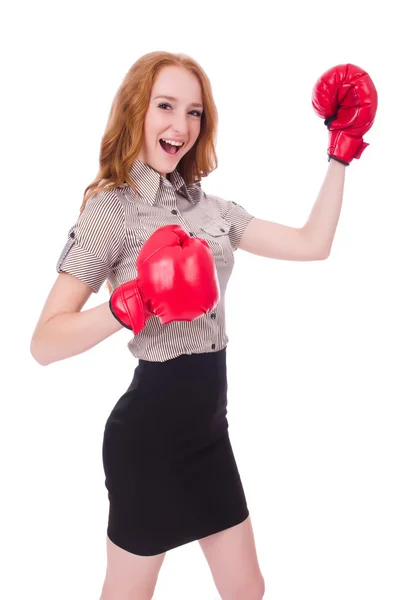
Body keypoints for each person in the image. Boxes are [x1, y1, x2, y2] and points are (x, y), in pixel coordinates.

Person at [30, 53, 377, 600]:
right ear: (136, 112)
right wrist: (130, 306)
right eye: (165, 106)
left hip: (209, 433)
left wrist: (342, 153)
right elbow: (44, 342)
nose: (180, 125)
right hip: (146, 438)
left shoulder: (213, 210)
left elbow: (313, 244)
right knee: (127, 594)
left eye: (193, 112)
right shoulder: (111, 211)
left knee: (247, 589)